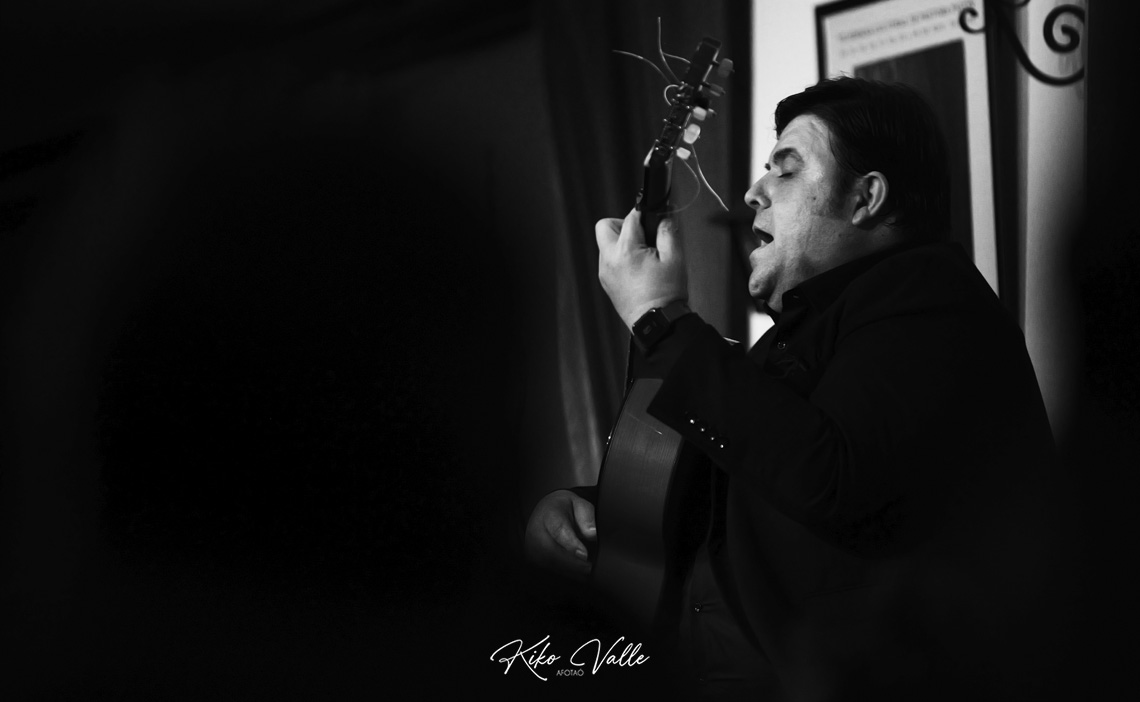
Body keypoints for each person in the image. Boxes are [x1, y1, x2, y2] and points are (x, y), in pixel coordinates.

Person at [524, 77, 1067, 701]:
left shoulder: (931, 299)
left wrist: (659, 320)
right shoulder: (795, 338)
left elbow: (834, 477)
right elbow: (727, 494)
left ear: (865, 199)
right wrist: (579, 511)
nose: (752, 192)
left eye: (785, 170)